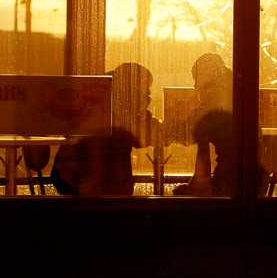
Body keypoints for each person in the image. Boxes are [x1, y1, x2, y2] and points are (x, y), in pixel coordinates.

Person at [52, 62, 160, 196]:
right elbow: (144, 136)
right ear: (131, 88)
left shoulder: (102, 105)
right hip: (92, 185)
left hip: (80, 181)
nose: (149, 93)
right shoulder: (112, 112)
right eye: (145, 88)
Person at [171, 53, 235, 196]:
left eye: (197, 79)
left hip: (232, 179)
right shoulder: (231, 93)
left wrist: (172, 126)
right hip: (243, 175)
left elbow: (190, 132)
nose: (195, 86)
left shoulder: (218, 100)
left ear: (207, 77)